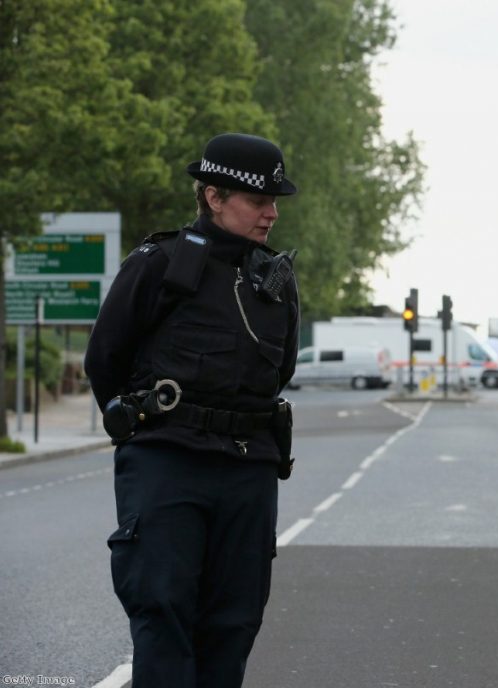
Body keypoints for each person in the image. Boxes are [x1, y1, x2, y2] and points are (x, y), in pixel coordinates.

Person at [85, 132, 301, 688]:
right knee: (163, 611)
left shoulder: (274, 281)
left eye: (275, 203)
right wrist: (143, 429)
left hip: (249, 467)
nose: (271, 214)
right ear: (213, 197)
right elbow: (105, 360)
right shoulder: (157, 264)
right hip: (168, 461)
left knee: (233, 622)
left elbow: (281, 372)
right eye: (259, 201)